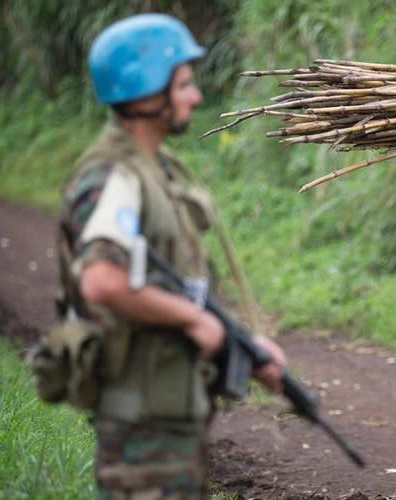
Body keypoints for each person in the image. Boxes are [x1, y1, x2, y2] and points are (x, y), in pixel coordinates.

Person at [57, 13, 286, 498]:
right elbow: (101, 279)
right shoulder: (114, 176)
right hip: (141, 424)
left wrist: (242, 345)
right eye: (183, 84)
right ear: (145, 92)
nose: (195, 96)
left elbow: (170, 281)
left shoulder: (153, 171)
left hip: (167, 410)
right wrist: (196, 321)